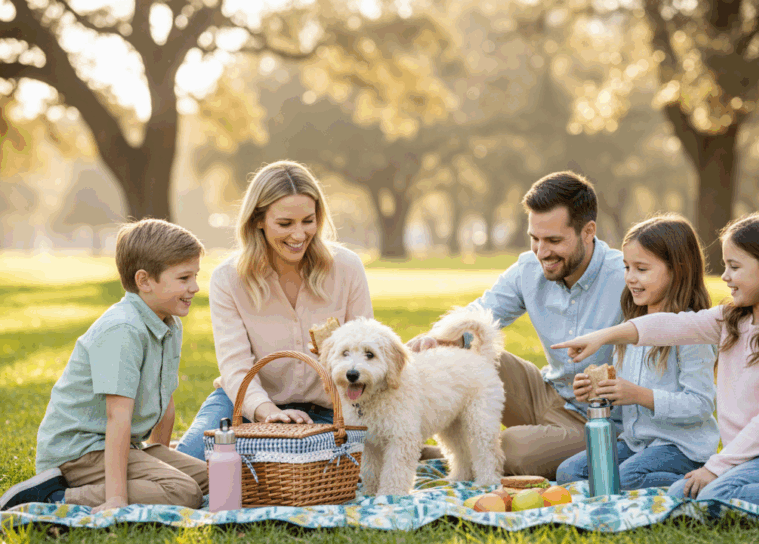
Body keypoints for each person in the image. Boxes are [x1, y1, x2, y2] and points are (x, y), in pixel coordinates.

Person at [555, 212, 759, 512]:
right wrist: (603, 337)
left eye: (734, 266)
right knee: (682, 493)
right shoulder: (731, 319)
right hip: (747, 456)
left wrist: (715, 467)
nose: (725, 276)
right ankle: (747, 489)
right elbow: (671, 326)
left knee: (710, 497)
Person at [408, 171, 626, 480]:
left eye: (554, 240)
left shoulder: (625, 277)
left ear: (588, 231)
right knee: (467, 360)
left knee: (514, 449)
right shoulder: (529, 268)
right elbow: (481, 313)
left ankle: (461, 458)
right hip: (546, 393)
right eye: (535, 239)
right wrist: (438, 339)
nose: (542, 252)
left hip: (597, 419)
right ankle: (447, 450)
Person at [0, 219, 209, 513]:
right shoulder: (123, 330)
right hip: (79, 453)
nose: (196, 287)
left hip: (118, 446)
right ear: (144, 281)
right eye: (184, 278)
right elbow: (117, 417)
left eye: (195, 276)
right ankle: (53, 496)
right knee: (184, 492)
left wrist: (156, 459)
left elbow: (166, 398)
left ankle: (141, 485)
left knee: (213, 480)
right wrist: (116, 499)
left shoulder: (169, 323)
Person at [176, 160, 373, 461]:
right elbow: (235, 366)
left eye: (308, 220)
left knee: (329, 476)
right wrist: (268, 413)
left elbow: (366, 350)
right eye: (285, 224)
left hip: (330, 411)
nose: (299, 235)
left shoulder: (346, 267)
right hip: (246, 405)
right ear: (258, 220)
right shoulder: (229, 279)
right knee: (190, 465)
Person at [554, 214, 719, 490]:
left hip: (681, 450)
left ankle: (704, 483)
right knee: (568, 473)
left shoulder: (692, 332)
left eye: (641, 269)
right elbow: (624, 392)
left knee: (621, 480)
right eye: (626, 267)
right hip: (635, 444)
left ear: (678, 270)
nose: (630, 278)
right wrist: (597, 395)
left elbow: (701, 405)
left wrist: (640, 396)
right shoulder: (629, 327)